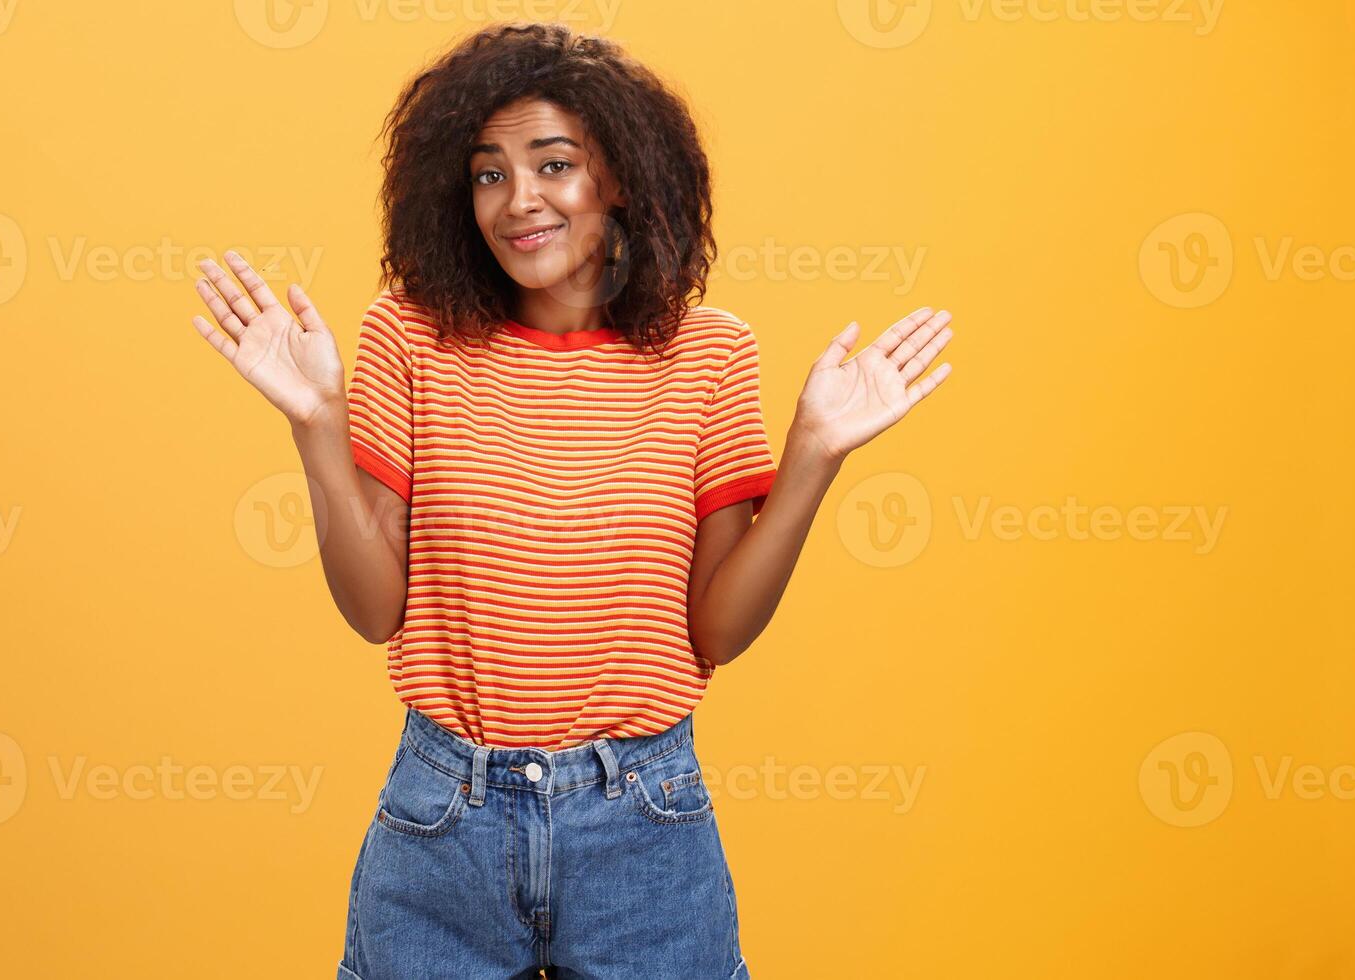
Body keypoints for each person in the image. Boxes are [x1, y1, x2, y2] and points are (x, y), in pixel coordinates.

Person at [186, 22, 956, 979]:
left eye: (554, 164)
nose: (519, 201)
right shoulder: (409, 337)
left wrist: (812, 460)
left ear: (622, 178)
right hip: (443, 820)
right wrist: (316, 427)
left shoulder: (710, 355)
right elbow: (373, 611)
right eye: (488, 173)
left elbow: (716, 631)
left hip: (644, 821)